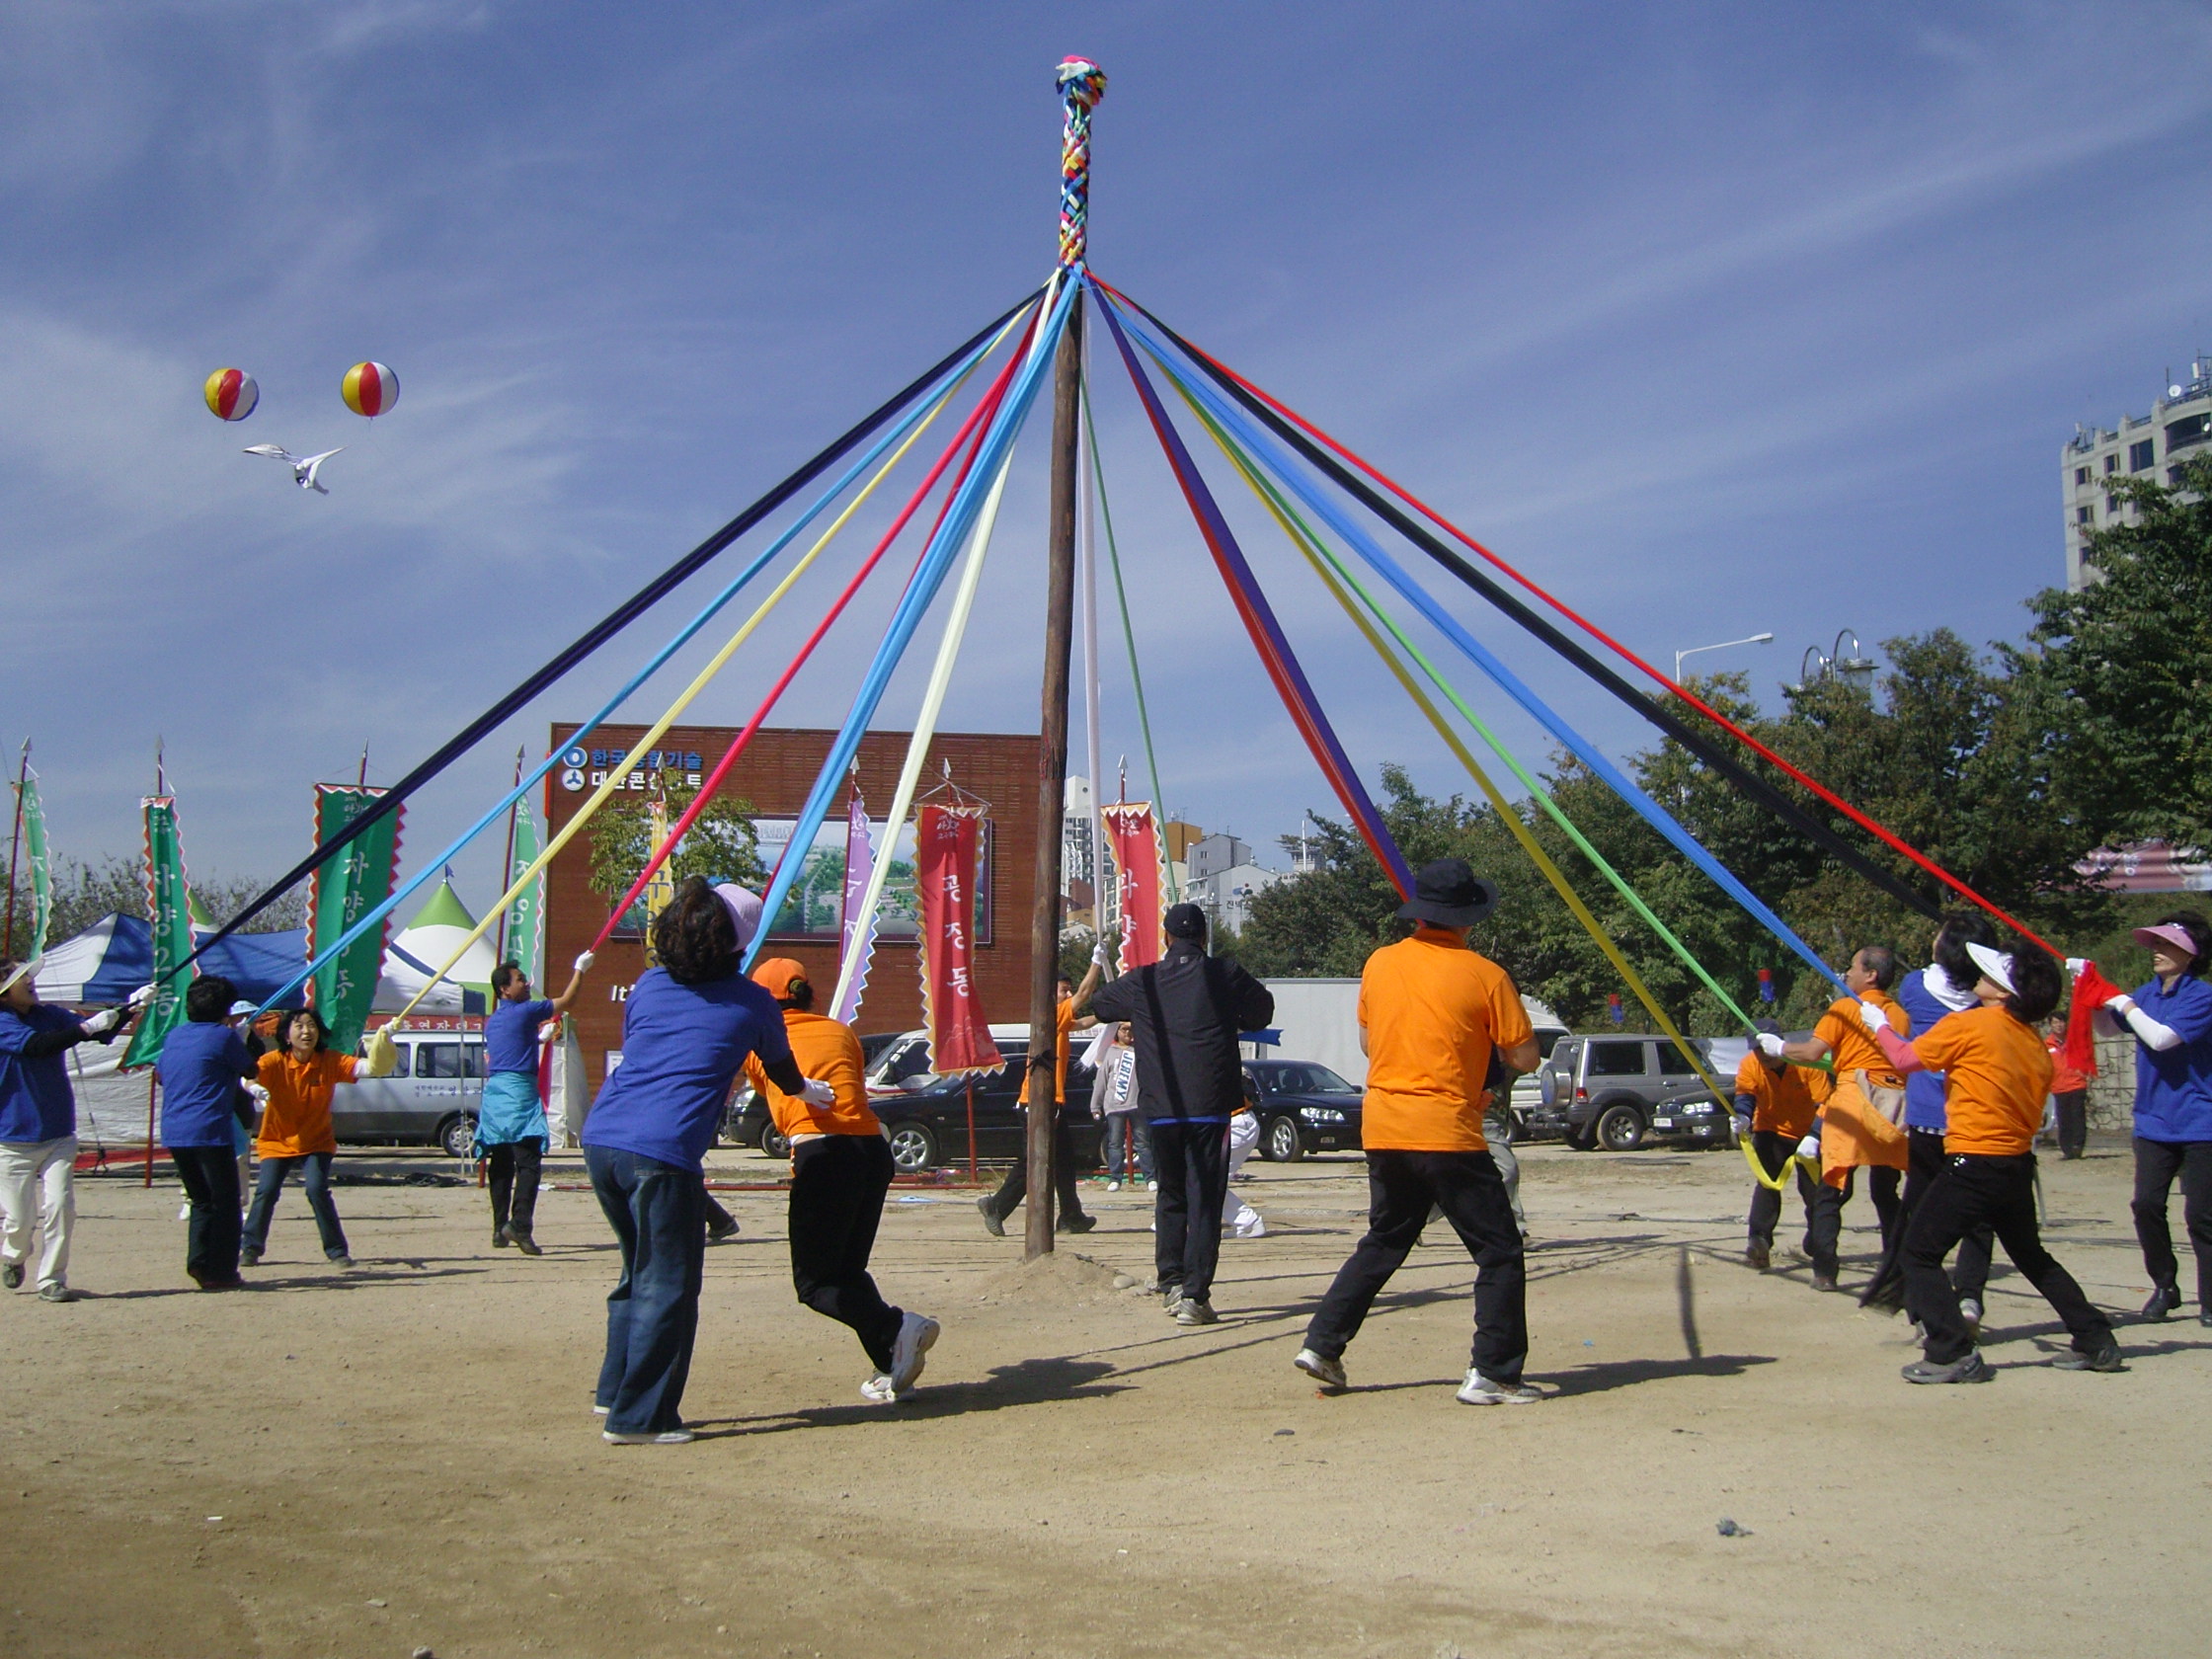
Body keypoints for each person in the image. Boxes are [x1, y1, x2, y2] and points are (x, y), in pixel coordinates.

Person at [581, 878, 828, 1445]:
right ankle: (640, 1418)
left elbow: (650, 1048)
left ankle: (613, 1392)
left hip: (603, 1139)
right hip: (662, 1152)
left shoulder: (647, 984)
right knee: (668, 1286)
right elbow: (782, 1071)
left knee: (635, 1273)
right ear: (738, 946)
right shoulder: (752, 1001)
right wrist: (807, 1091)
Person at [1294, 860, 1539, 1402]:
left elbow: (1366, 1042)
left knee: (1386, 1237)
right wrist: (1484, 1055)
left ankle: (1323, 1343)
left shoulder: (1381, 963)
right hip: (1445, 1129)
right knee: (1499, 1249)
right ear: (1467, 919)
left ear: (1422, 915)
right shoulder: (1485, 974)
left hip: (1383, 1124)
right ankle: (1494, 1372)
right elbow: (1525, 1053)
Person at [1871, 940, 2120, 1382]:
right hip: (2015, 1162)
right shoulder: (2030, 1040)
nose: (1978, 977)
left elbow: (1905, 1058)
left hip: (1975, 1160)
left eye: (1988, 975)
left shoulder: (1972, 1024)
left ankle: (1951, 1351)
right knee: (2031, 1255)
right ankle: (2096, 1338)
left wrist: (1880, 1025)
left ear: (2004, 992)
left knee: (1918, 1253)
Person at [744, 958, 938, 1403]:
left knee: (814, 1284)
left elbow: (768, 1083)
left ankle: (896, 1326)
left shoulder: (759, 1039)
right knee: (847, 1272)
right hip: (871, 1150)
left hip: (823, 1154)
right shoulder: (840, 1030)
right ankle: (891, 1362)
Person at [1091, 904, 1274, 1325]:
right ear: (1205, 938)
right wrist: (1233, 1016)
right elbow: (1263, 1011)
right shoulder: (1225, 974)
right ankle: (1195, 1295)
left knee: (1170, 1195)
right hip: (1211, 1105)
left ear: (1167, 937)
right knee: (1205, 1200)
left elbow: (1102, 1004)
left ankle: (1170, 1280)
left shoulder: (1145, 980)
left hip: (1161, 1107)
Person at [1859, 914, 1997, 1317]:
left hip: (1926, 1118)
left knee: (1916, 1212)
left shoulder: (1915, 987)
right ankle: (1970, 1296)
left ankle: (1914, 1299)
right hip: (1974, 1117)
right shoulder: (1988, 998)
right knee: (1979, 1218)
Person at [0, 963, 139, 1301]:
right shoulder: (3, 1021)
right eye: (22, 979)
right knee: (20, 1219)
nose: (31, 982)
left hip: (59, 1131)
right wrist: (87, 1028)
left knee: (62, 1206)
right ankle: (13, 1256)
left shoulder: (49, 1013)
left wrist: (128, 1009)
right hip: (12, 1137)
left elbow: (98, 1033)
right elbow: (38, 1046)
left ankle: (52, 1279)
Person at [1773, 947, 1910, 1290]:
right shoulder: (1901, 1015)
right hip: (1892, 1104)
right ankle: (1896, 1262)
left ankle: (1825, 1269)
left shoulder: (1847, 1008)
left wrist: (1778, 1048)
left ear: (1871, 975)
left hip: (1852, 1099)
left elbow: (1812, 1052)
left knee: (1831, 1188)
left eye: (1852, 968)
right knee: (1885, 1189)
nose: (1846, 974)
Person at [2100, 912, 2212, 1324]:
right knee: (2146, 1204)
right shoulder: (2146, 994)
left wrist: (2124, 1003)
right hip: (2153, 1122)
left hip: (2201, 1121)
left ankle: (2211, 1299)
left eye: (2166, 945)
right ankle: (2165, 1285)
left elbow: (2162, 1039)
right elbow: (2107, 1027)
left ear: (2190, 953)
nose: (2156, 952)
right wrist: (2090, 991)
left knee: (2201, 1215)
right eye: (2156, 945)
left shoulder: (2202, 997)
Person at [244, 1006, 387, 1268]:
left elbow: (369, 1069)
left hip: (316, 1141)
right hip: (276, 1140)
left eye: (311, 1025)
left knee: (316, 1189)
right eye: (298, 1026)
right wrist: (254, 1089)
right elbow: (247, 1077)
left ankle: (337, 1251)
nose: (306, 1031)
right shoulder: (274, 1061)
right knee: (266, 1191)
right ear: (287, 1035)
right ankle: (250, 1248)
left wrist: (382, 1041)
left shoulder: (330, 1060)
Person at [478, 952, 594, 1255]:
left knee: (500, 1165)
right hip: (518, 1095)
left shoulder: (496, 1020)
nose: (527, 983)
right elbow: (568, 1001)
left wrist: (538, 1039)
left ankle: (498, 1227)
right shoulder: (524, 1011)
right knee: (528, 1164)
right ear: (505, 989)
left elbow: (511, 1047)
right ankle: (520, 1224)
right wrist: (579, 970)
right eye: (520, 980)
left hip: (495, 1097)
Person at [978, 960, 1104, 1239]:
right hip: (1037, 1103)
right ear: (1050, 994)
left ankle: (1071, 1215)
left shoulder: (1059, 1017)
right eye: (1063, 990)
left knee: (1064, 1161)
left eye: (1068, 990)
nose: (1069, 995)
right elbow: (1084, 995)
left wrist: (1107, 1015)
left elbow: (1081, 1022)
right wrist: (1096, 963)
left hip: (1052, 1103)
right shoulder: (1051, 1012)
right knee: (1033, 1162)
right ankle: (996, 1206)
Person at [153, 975, 260, 1289]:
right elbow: (250, 1070)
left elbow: (161, 1075)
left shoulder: (175, 1036)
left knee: (200, 1198)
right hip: (210, 1129)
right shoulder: (223, 1037)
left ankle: (199, 1262)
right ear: (226, 1009)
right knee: (226, 1201)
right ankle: (222, 1270)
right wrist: (237, 1039)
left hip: (175, 1129)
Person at [1734, 1019, 1823, 1273]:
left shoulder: (1806, 1063)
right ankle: (1759, 1241)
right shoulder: (1750, 1064)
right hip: (1771, 1129)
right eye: (1757, 1050)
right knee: (1767, 1184)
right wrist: (1742, 1116)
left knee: (1815, 1190)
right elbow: (1745, 1095)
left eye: (1766, 1049)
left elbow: (1825, 1103)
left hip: (1808, 1132)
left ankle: (1818, 1239)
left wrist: (1816, 1135)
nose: (1763, 1056)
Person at [1090, 1023, 1152, 1189]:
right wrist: (1095, 1106)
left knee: (1143, 1143)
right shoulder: (1109, 1053)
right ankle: (1115, 1179)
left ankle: (1150, 1178)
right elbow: (1101, 1081)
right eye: (1124, 1029)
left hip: (1137, 1105)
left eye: (1131, 1029)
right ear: (1116, 1032)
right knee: (1115, 1143)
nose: (1128, 1033)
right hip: (1114, 1106)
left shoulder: (1140, 1051)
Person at [2045, 1019, 2090, 1160]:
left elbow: (2086, 1057)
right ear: (2051, 1025)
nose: (2059, 1025)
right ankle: (2067, 1149)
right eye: (2055, 1023)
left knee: (2078, 1117)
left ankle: (2078, 1147)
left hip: (2076, 1084)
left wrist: (2083, 1073)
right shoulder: (2047, 1045)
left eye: (2061, 1022)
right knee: (2063, 1119)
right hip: (2059, 1086)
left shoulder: (2075, 1041)